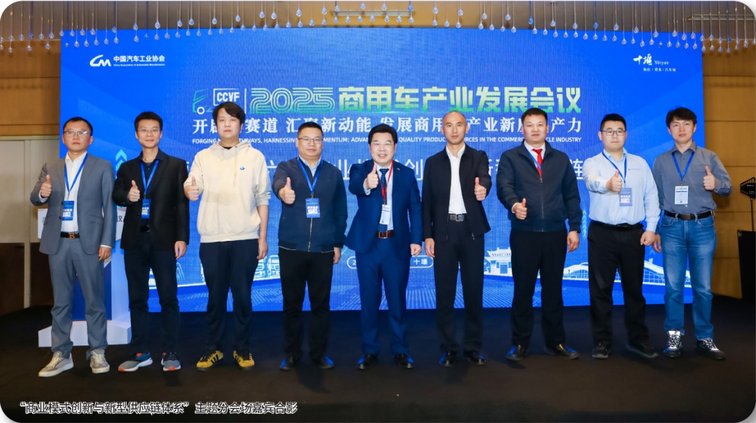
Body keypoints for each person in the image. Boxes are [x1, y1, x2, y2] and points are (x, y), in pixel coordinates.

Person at [184, 102, 270, 370]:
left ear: (241, 125)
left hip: (245, 238)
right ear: (215, 125)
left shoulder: (255, 157)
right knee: (215, 298)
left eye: (232, 120)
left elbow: (263, 198)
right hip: (213, 239)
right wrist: (190, 190)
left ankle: (242, 349)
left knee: (243, 297)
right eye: (222, 120)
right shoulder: (203, 156)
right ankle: (214, 348)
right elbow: (192, 183)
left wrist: (262, 237)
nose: (227, 124)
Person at [31, 116, 115, 377]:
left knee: (94, 301)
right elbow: (35, 198)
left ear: (91, 139)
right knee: (61, 302)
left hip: (88, 243)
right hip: (58, 243)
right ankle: (61, 354)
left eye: (82, 132)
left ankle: (97, 351)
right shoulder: (51, 166)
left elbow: (109, 206)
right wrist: (43, 193)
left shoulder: (102, 166)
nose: (76, 136)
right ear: (63, 137)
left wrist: (106, 241)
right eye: (70, 132)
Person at [496, 107, 582, 361]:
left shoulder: (561, 159)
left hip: (555, 233)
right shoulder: (510, 157)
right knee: (523, 290)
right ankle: (519, 343)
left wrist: (574, 227)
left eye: (540, 124)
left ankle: (556, 342)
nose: (535, 129)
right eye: (530, 125)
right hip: (525, 234)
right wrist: (515, 205)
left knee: (553, 290)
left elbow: (571, 195)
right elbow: (504, 186)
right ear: (521, 128)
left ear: (548, 128)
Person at [652, 107, 732, 360]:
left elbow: (728, 187)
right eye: (676, 125)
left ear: (695, 127)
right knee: (673, 287)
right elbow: (655, 198)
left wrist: (716, 184)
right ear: (669, 130)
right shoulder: (661, 161)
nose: (682, 129)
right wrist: (656, 230)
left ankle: (704, 337)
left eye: (686, 124)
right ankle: (674, 335)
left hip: (702, 227)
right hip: (671, 227)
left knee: (703, 288)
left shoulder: (709, 157)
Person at [112, 111, 189, 372]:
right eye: (144, 130)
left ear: (161, 133)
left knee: (168, 297)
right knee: (137, 298)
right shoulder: (127, 168)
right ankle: (140, 352)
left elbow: (181, 204)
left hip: (164, 240)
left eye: (154, 129)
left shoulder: (176, 165)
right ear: (136, 135)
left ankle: (170, 352)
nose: (149, 134)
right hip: (134, 241)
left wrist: (182, 237)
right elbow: (116, 194)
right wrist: (128, 196)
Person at [583, 113, 660, 360]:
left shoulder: (639, 163)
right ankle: (602, 342)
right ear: (600, 135)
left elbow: (651, 196)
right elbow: (591, 181)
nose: (614, 135)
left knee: (634, 290)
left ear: (626, 134)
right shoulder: (592, 162)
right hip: (602, 234)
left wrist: (651, 228)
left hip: (634, 234)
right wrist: (607, 184)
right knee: (600, 291)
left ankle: (638, 340)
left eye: (619, 131)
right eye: (609, 131)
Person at [345, 124, 422, 370]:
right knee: (369, 301)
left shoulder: (406, 174)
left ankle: (401, 350)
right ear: (369, 147)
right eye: (376, 143)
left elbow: (415, 208)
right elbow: (355, 186)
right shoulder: (360, 169)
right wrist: (367, 184)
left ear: (395, 147)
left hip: (396, 245)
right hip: (368, 247)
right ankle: (369, 350)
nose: (381, 148)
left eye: (387, 143)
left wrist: (416, 239)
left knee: (397, 301)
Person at [272, 121, 347, 371]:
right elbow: (278, 183)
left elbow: (340, 211)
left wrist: (337, 243)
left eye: (317, 139)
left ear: (323, 143)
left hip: (323, 250)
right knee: (291, 305)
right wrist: (283, 193)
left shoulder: (333, 173)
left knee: (320, 306)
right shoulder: (286, 168)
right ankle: (292, 354)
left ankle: (318, 354)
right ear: (297, 142)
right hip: (291, 249)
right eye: (306, 139)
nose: (312, 144)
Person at [422, 111, 491, 367]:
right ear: (442, 129)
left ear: (467, 128)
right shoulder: (433, 162)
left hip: (471, 231)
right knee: (445, 294)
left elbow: (484, 178)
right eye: (449, 125)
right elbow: (426, 201)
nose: (454, 130)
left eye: (459, 125)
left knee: (474, 292)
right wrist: (427, 235)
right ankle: (449, 348)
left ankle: (473, 347)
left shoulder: (478, 156)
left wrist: (483, 188)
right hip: (444, 232)